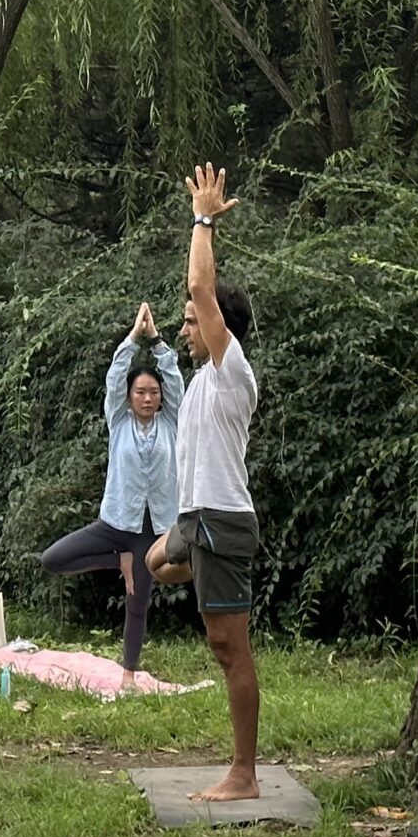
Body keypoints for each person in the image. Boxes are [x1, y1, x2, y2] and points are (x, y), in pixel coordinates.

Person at [147, 164, 261, 800]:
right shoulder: (197, 387)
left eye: (192, 321)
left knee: (228, 648)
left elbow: (199, 283)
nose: (185, 327)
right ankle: (199, 568)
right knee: (155, 562)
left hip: (223, 521)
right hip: (197, 521)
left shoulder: (231, 372)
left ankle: (244, 774)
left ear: (219, 327)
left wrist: (203, 220)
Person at [40, 303, 182, 671]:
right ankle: (118, 559)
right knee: (53, 559)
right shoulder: (118, 420)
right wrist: (134, 337)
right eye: (140, 392)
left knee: (138, 603)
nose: (147, 398)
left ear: (161, 397)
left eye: (153, 392)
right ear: (129, 396)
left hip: (152, 530)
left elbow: (174, 377)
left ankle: (129, 674)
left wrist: (157, 340)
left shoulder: (171, 423)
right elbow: (115, 375)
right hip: (116, 522)